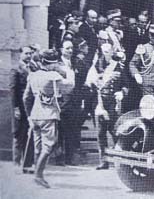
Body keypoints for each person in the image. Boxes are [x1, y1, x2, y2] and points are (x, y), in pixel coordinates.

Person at [23, 49, 74, 188]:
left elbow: (26, 97)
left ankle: (37, 173)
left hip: (35, 115)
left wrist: (28, 115)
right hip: (49, 115)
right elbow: (69, 87)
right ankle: (38, 175)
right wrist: (68, 70)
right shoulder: (53, 75)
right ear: (51, 63)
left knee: (38, 146)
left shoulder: (33, 75)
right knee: (49, 145)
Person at [86, 43, 129, 170]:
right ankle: (103, 161)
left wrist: (122, 93)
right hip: (100, 102)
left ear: (112, 52)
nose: (106, 53)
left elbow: (126, 85)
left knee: (115, 131)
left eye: (108, 51)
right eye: (104, 51)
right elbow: (90, 84)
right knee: (100, 133)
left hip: (113, 103)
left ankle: (119, 160)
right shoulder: (96, 66)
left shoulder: (118, 66)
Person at [9, 46, 32, 169]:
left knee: (28, 135)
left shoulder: (32, 68)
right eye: (27, 53)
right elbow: (13, 90)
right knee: (18, 135)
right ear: (20, 54)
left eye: (30, 53)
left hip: (29, 108)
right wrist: (16, 108)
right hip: (19, 108)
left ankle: (27, 163)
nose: (29, 56)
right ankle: (16, 163)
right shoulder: (16, 70)